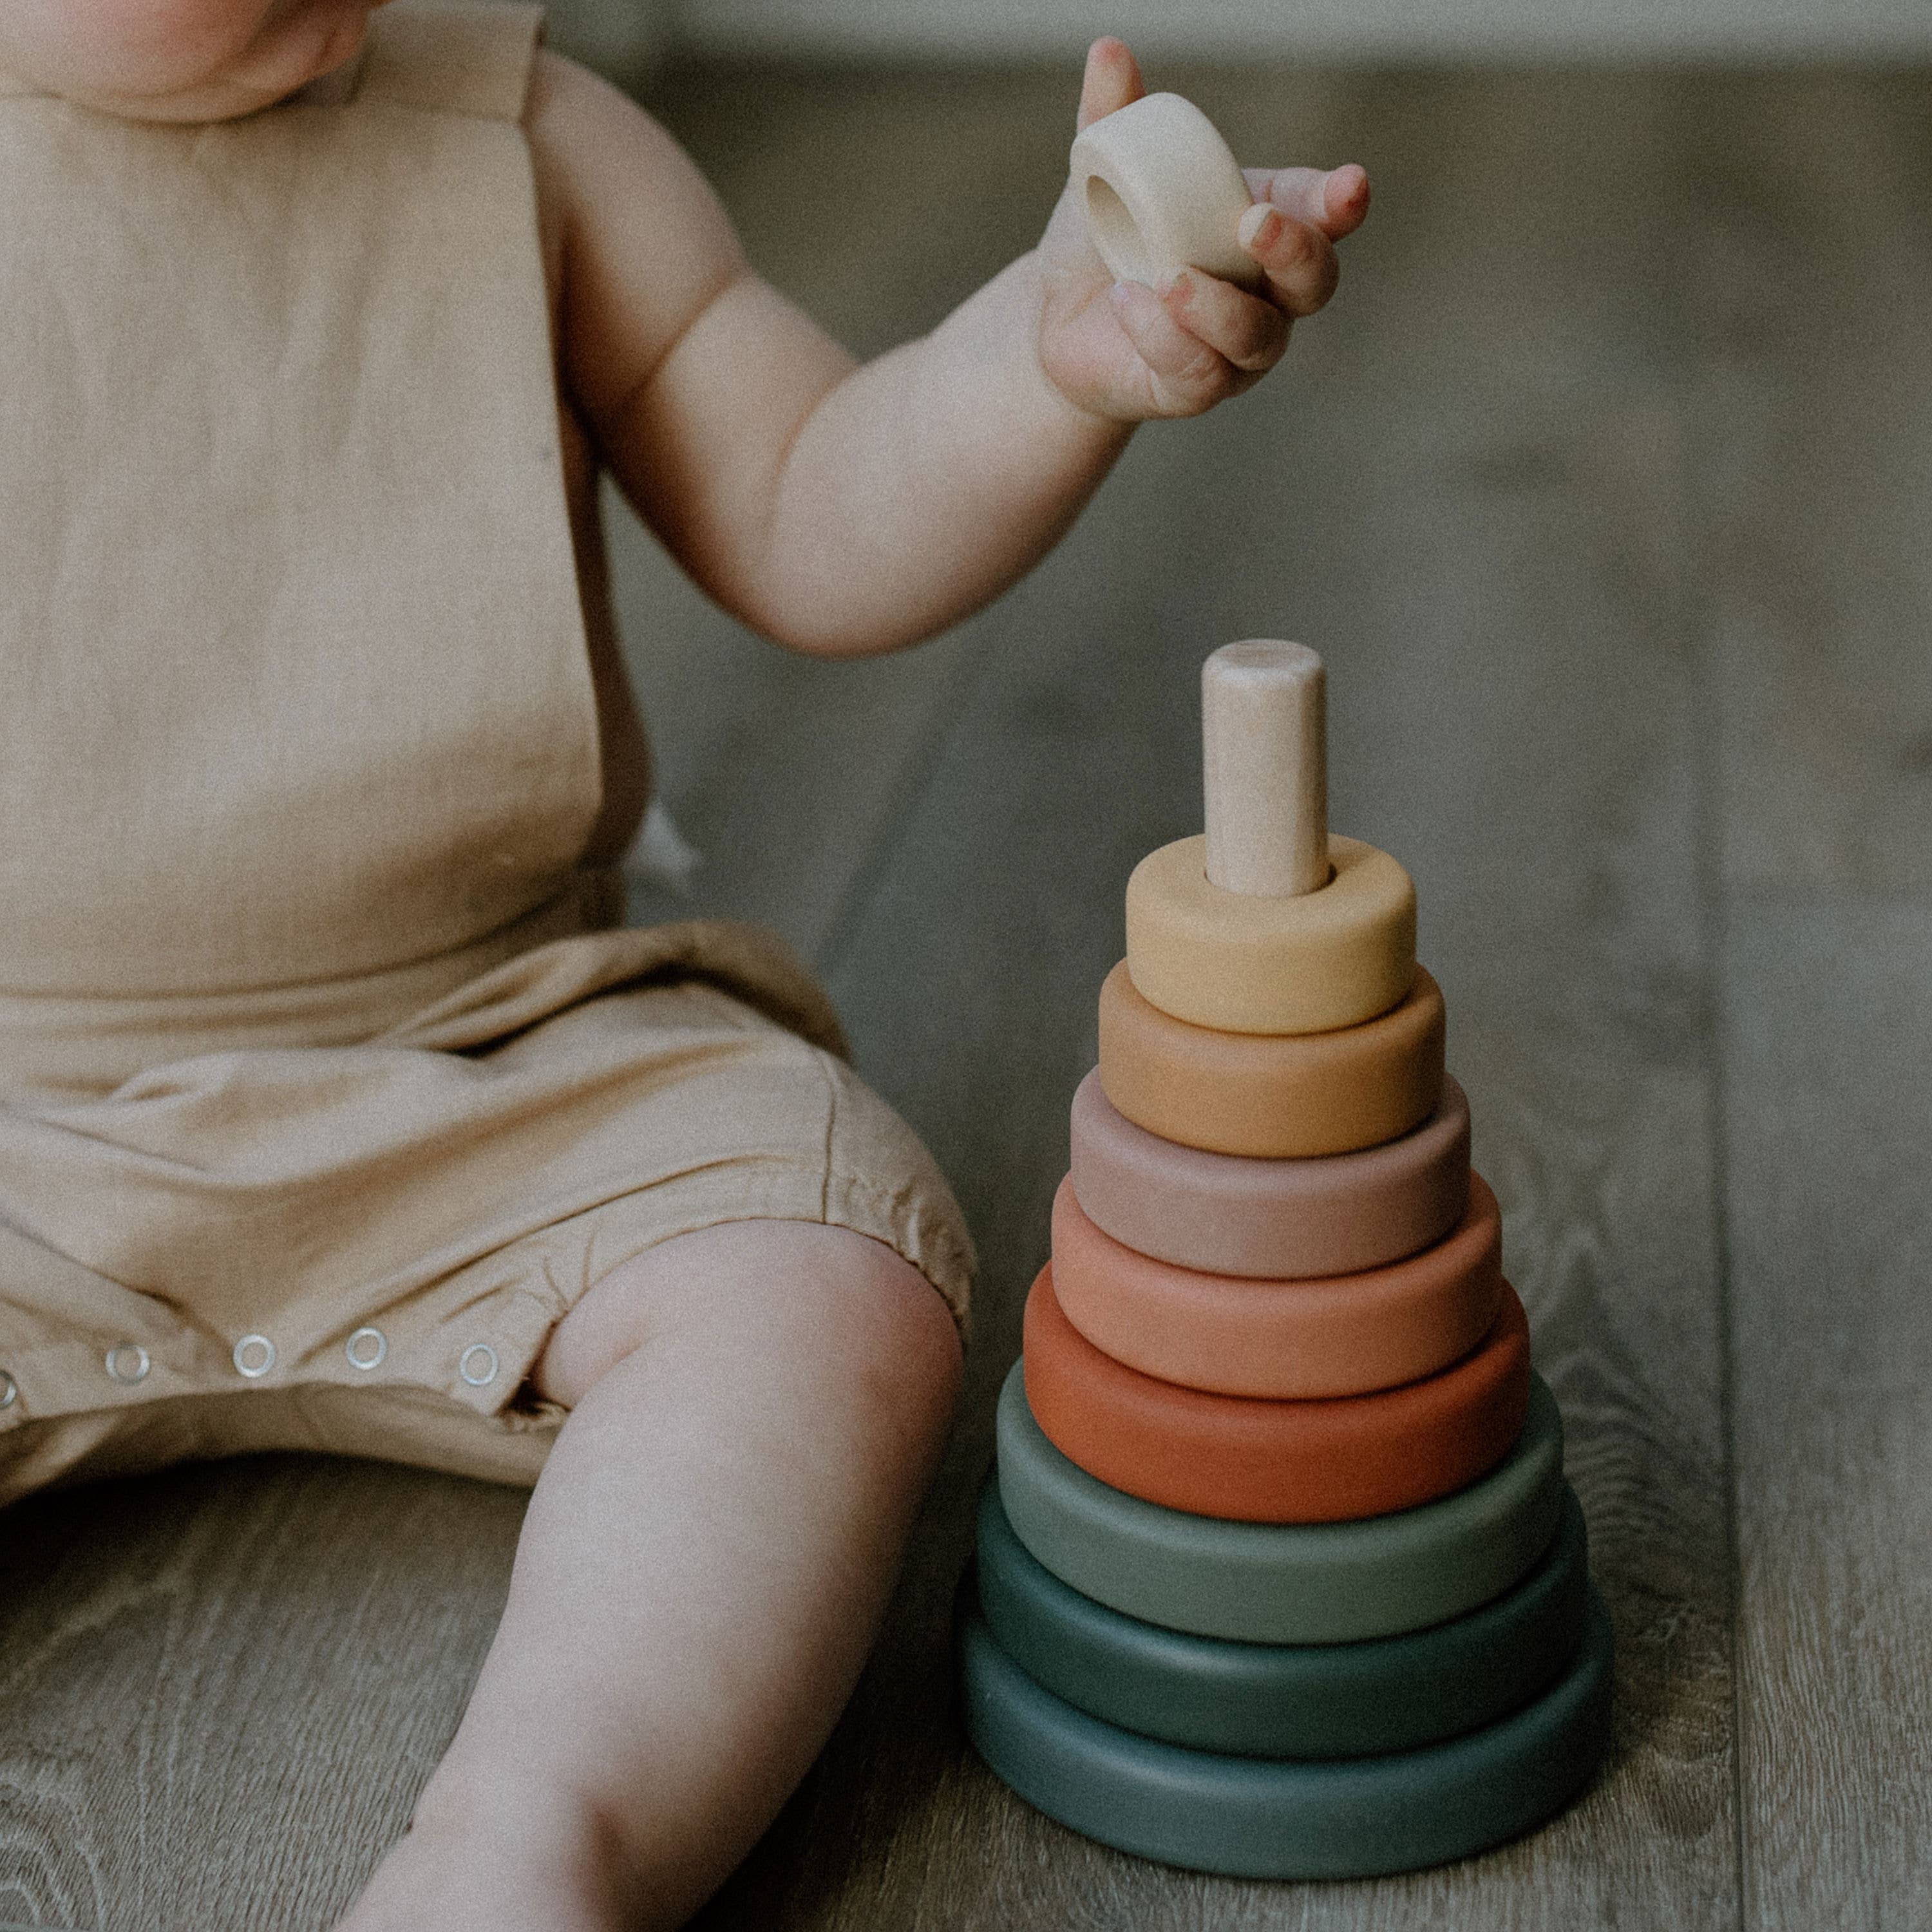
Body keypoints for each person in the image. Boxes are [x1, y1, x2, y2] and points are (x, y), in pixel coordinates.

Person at [0, 3, 1370, 1926]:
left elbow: (814, 496)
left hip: (484, 1058)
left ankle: (538, 1840)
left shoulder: (535, 143)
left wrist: (1044, 359)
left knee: (820, 1274)